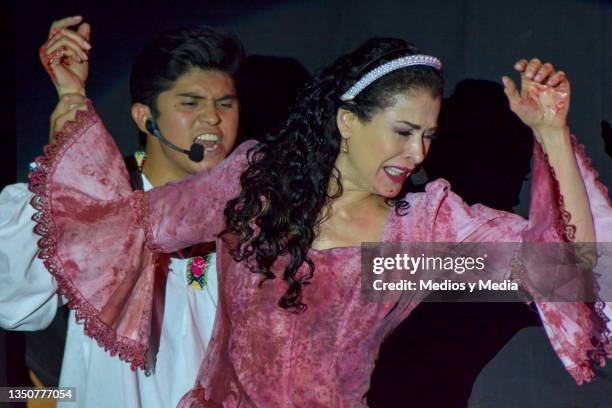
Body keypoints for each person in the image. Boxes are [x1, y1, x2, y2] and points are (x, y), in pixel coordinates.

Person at [30, 36, 612, 406]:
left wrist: (552, 135)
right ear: (347, 122)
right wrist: (71, 95)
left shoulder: (413, 236)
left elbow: (561, 272)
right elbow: (125, 225)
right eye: (404, 132)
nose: (418, 154)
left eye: (429, 137)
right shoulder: (254, 188)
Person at [1, 16, 244, 407]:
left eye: (225, 103)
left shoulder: (256, 208)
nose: (212, 118)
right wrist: (61, 171)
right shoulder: (100, 204)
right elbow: (12, 300)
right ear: (145, 118)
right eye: (190, 103)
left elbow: (358, 286)